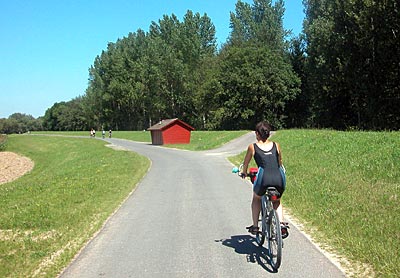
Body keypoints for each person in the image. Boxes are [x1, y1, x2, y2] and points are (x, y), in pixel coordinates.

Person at [241, 121, 288, 238]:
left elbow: (245, 163)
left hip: (264, 178)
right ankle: (281, 224)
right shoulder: (276, 145)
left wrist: (244, 172)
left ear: (257, 134)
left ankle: (256, 226)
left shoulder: (253, 147)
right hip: (279, 177)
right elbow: (280, 162)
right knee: (277, 201)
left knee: (256, 198)